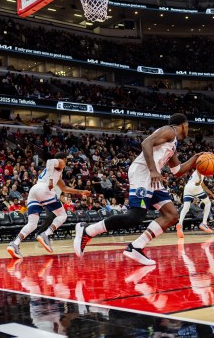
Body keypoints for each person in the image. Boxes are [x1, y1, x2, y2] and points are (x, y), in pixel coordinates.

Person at [73, 113, 201, 266]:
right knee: (135, 217)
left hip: (152, 176)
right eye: (188, 126)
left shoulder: (173, 142)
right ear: (183, 125)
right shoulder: (169, 131)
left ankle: (136, 247)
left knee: (172, 215)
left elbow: (177, 170)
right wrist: (153, 170)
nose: (188, 129)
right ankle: (87, 230)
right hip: (143, 172)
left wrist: (196, 158)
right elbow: (146, 143)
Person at [7, 153, 91, 259]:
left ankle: (14, 243)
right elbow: (50, 162)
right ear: (63, 159)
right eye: (66, 160)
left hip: (34, 191)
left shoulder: (55, 172)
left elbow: (64, 188)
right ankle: (46, 234)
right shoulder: (60, 163)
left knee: (32, 224)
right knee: (62, 215)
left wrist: (81, 191)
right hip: (44, 189)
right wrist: (51, 180)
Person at [176, 167, 214, 238]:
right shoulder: (202, 169)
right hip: (195, 185)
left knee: (186, 207)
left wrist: (213, 195)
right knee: (208, 203)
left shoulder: (200, 176)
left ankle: (180, 224)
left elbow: (204, 187)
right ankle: (204, 223)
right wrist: (199, 180)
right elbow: (198, 169)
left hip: (187, 187)